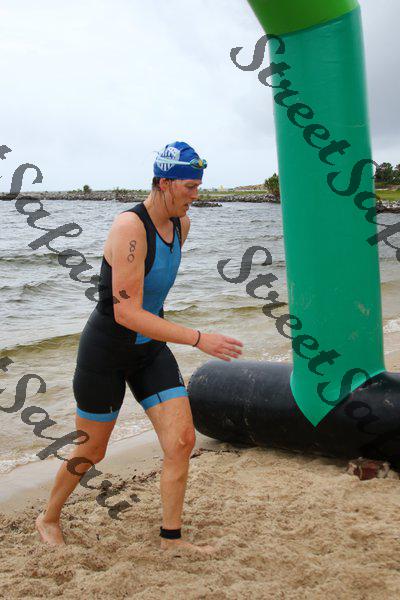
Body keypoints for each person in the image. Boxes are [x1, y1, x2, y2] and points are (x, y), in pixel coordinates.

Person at [35, 141, 244, 552]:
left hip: (149, 351)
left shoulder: (181, 225)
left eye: (198, 187)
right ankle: (49, 517)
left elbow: (153, 296)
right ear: (164, 183)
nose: (195, 195)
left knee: (181, 441)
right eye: (189, 187)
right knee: (92, 449)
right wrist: (199, 339)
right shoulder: (130, 227)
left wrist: (177, 336)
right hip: (106, 353)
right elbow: (127, 312)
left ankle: (171, 539)